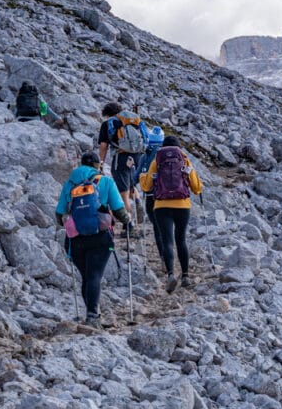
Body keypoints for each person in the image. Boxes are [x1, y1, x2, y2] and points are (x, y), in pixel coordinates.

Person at [55, 150, 130, 323]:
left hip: (76, 239)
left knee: (86, 276)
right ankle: (92, 316)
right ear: (98, 165)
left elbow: (59, 216)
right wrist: (128, 221)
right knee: (95, 275)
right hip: (101, 237)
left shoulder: (70, 183)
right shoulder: (105, 181)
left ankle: (90, 313)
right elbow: (119, 210)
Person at [139, 135, 203, 293]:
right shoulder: (184, 159)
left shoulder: (157, 159)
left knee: (167, 240)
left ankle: (170, 275)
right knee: (181, 239)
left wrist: (141, 176)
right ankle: (186, 276)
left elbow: (147, 187)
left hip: (161, 205)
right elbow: (196, 187)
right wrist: (199, 187)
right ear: (178, 147)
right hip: (182, 205)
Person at [97, 102, 145, 233]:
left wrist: (100, 163)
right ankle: (137, 199)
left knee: (122, 192)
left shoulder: (108, 124)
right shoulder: (132, 120)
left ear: (107, 114)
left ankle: (129, 225)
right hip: (137, 156)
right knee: (131, 183)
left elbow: (103, 146)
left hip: (122, 157)